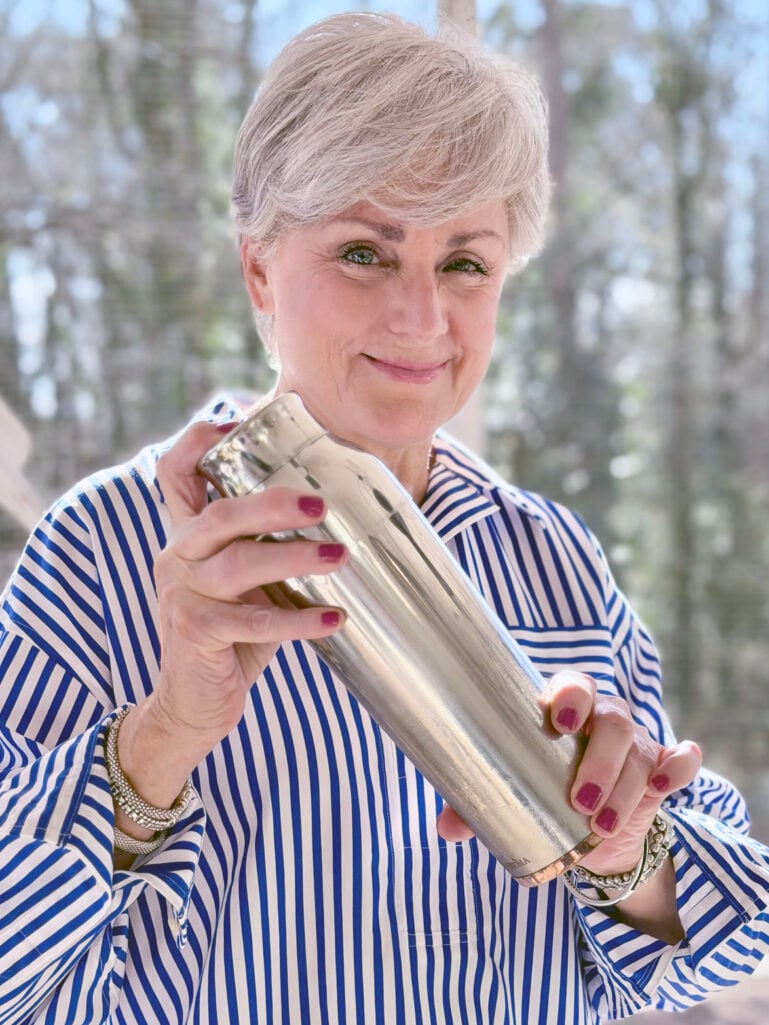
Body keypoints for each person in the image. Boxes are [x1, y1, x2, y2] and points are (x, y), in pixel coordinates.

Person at [1, 12, 767, 1024]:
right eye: (364, 251)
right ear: (259, 267)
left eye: (464, 264)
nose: (421, 319)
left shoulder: (553, 560)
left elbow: (717, 944)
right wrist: (162, 735)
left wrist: (629, 852)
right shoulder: (107, 552)